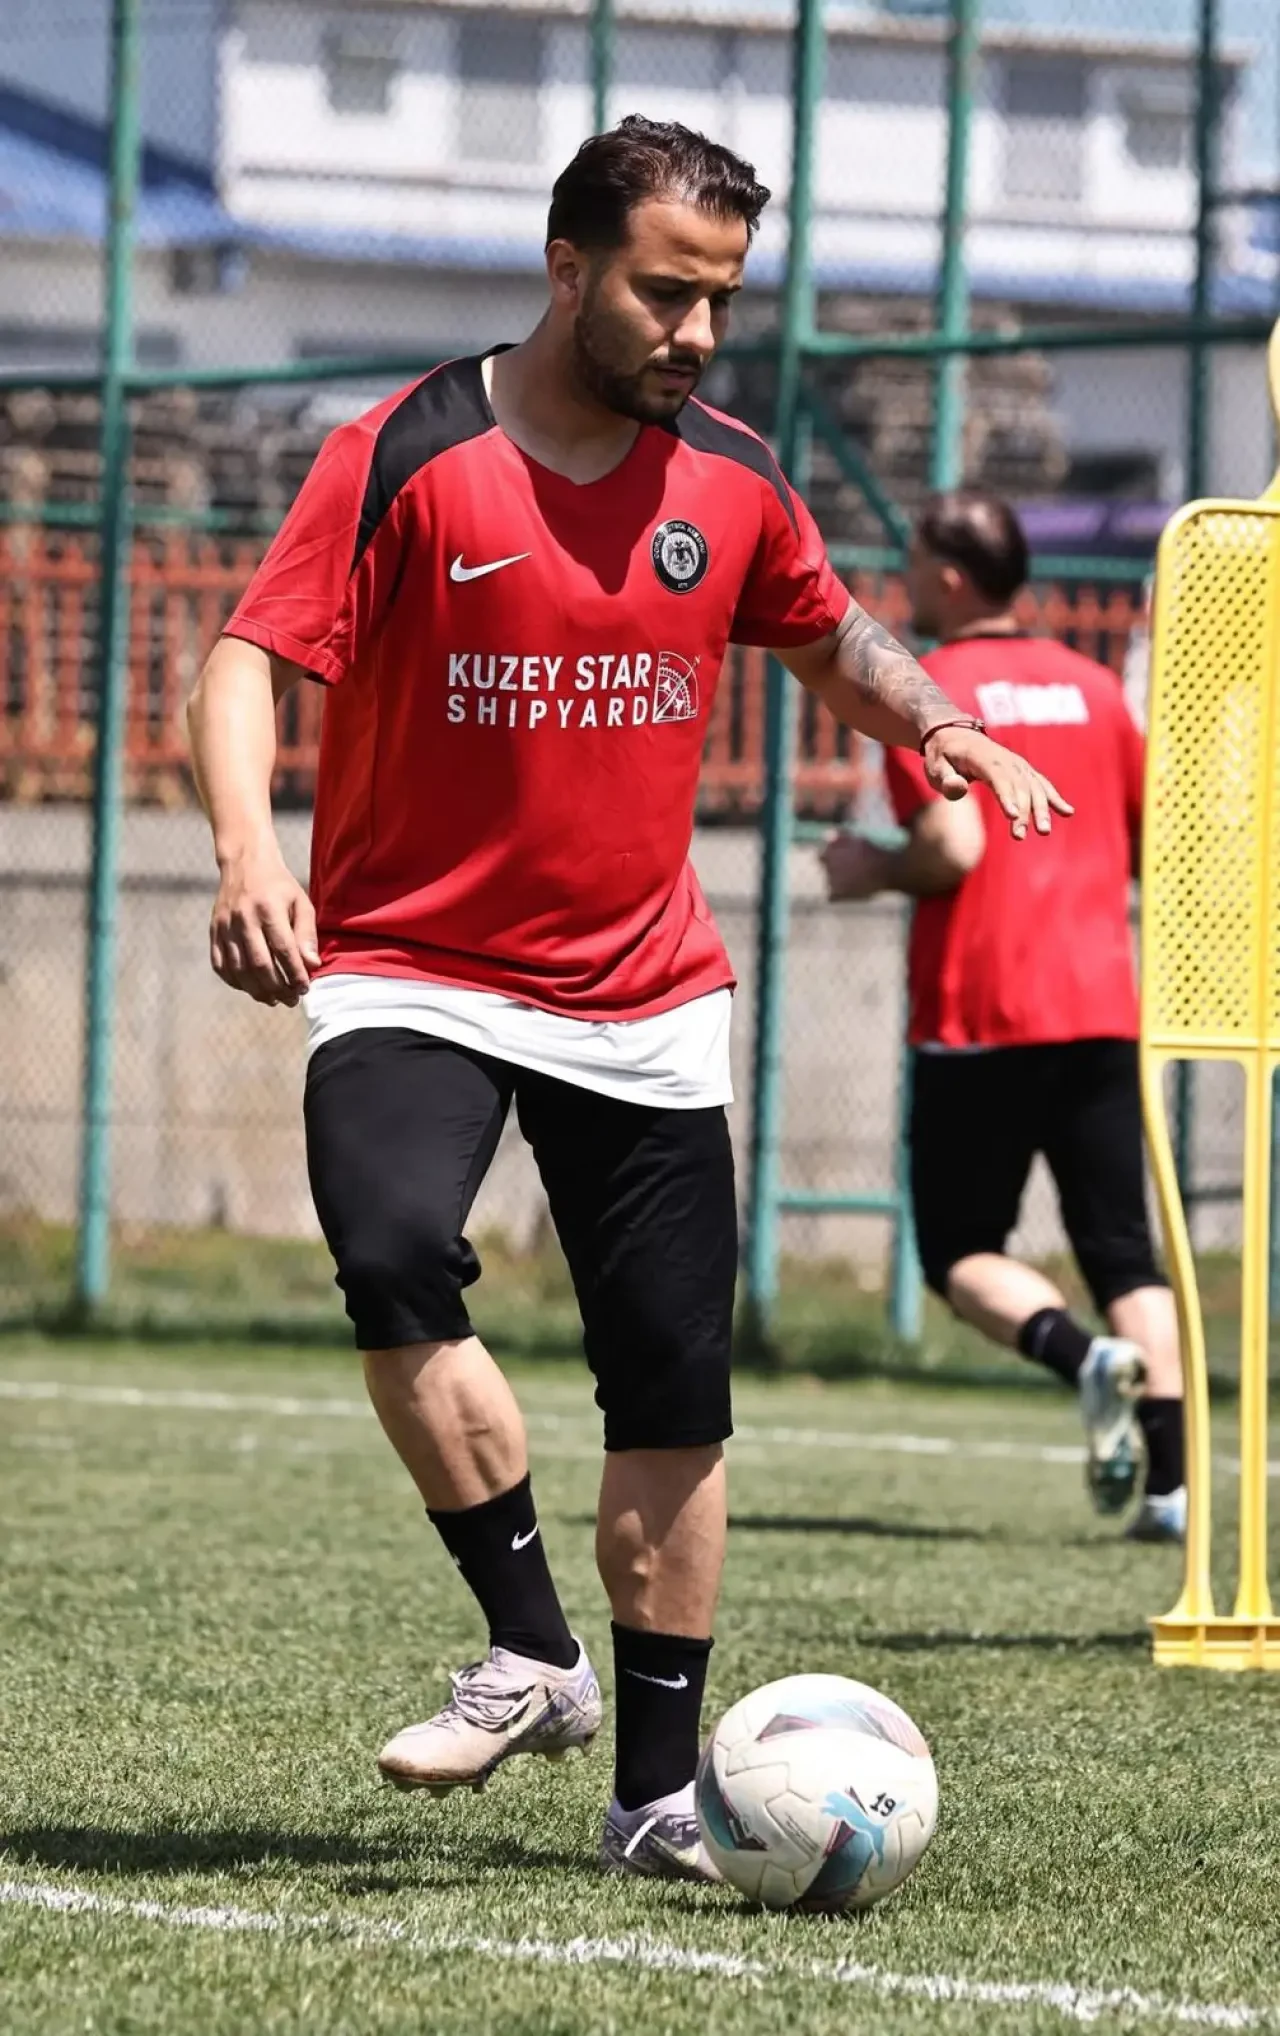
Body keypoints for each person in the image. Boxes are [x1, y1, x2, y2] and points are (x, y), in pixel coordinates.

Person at [186, 121, 1067, 1885]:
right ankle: (532, 1650)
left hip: (643, 995)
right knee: (391, 1251)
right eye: (668, 293)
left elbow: (827, 636)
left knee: (671, 1392)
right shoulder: (405, 452)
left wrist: (939, 721)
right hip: (416, 964)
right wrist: (245, 849)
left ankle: (659, 1800)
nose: (699, 332)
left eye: (723, 298)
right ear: (567, 265)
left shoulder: (731, 478)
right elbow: (247, 657)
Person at [821, 489, 1185, 1544]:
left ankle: (1083, 1359)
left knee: (959, 1250)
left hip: (980, 1011)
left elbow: (953, 846)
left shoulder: (930, 692)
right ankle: (1170, 1492)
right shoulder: (1093, 687)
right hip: (1100, 1005)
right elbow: (1149, 839)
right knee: (1124, 1254)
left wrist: (869, 867)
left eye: (911, 560)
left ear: (946, 577)